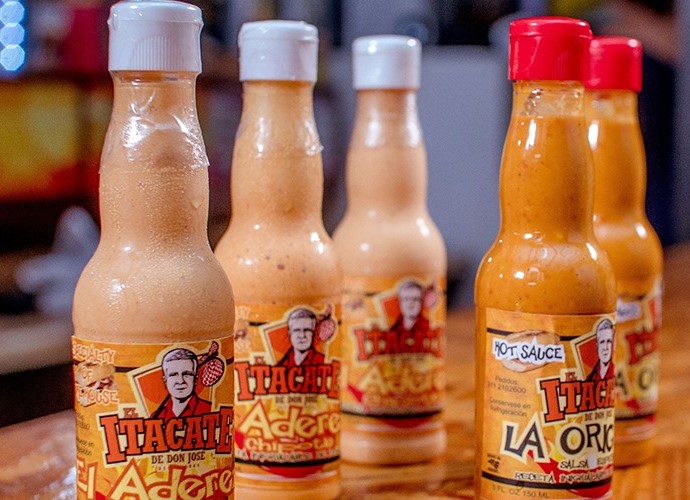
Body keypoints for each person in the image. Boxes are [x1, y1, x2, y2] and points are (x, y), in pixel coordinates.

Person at [150, 348, 211, 421]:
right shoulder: (156, 417)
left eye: (187, 374)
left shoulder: (210, 410)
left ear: (195, 378)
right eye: (173, 374)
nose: (180, 381)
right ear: (165, 380)